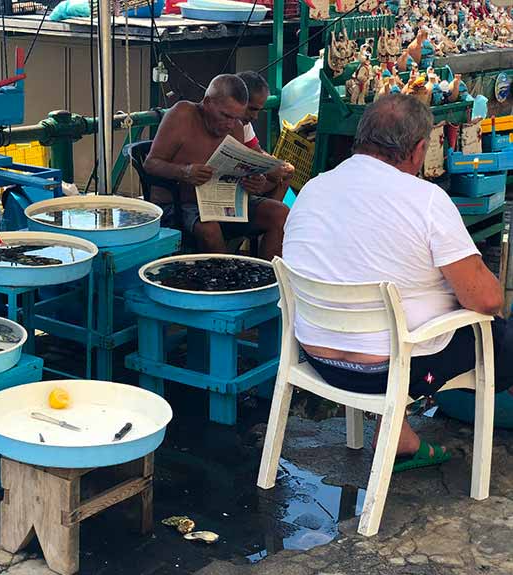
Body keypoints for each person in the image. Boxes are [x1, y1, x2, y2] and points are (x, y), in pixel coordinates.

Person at [283, 94, 513, 472]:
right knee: (499, 336)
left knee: (397, 309)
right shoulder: (425, 200)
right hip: (388, 372)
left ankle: (402, 440)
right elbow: (487, 300)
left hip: (317, 357)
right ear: (419, 149)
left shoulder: (313, 189)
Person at [144, 74, 291, 258]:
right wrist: (184, 172)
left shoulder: (236, 127)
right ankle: (224, 283)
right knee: (210, 229)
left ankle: (269, 279)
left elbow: (237, 173)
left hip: (223, 203)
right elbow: (151, 163)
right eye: (225, 115)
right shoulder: (183, 114)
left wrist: (254, 183)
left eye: (236, 118)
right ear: (207, 103)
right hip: (180, 203)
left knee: (280, 213)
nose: (230, 124)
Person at [236, 70, 295, 203]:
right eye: (252, 109)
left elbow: (255, 150)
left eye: (258, 110)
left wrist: (273, 166)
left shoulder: (244, 125)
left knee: (285, 172)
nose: (255, 117)